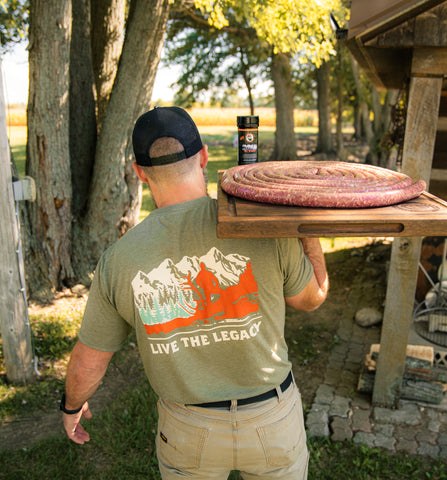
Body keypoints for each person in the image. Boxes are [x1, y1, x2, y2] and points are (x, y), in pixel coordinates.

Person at [61, 106, 329, 479]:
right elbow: (311, 298)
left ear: (139, 173)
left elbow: (89, 362)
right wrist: (309, 236)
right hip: (272, 419)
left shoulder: (118, 260)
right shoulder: (265, 228)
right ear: (203, 156)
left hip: (188, 430)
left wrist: (71, 406)